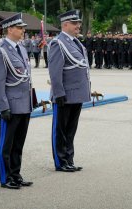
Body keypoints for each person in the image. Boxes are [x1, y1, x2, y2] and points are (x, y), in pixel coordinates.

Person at [0, 13, 33, 189]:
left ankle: (16, 174)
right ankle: (6, 177)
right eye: (20, 27)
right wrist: (3, 106)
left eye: (23, 27)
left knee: (18, 143)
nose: (23, 30)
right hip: (11, 106)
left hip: (24, 104)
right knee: (6, 145)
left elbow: (25, 78)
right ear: (10, 29)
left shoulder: (21, 48)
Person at [48, 9, 91, 172]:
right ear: (65, 24)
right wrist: (58, 93)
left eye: (78, 23)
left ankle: (69, 159)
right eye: (74, 23)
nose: (78, 26)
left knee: (71, 130)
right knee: (61, 130)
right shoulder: (58, 43)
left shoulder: (75, 42)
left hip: (77, 94)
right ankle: (61, 161)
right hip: (64, 95)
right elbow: (55, 71)